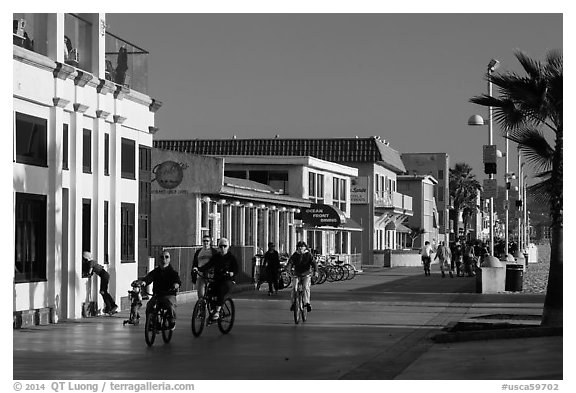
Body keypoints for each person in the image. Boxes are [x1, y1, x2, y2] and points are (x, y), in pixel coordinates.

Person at [194, 238, 238, 321]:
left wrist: (232, 273)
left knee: (221, 291)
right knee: (209, 292)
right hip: (217, 279)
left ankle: (217, 311)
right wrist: (198, 269)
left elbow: (236, 269)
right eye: (221, 246)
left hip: (228, 280)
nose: (222, 248)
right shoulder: (216, 257)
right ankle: (212, 310)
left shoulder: (231, 258)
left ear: (228, 247)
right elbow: (208, 265)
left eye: (225, 246)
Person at [139, 251, 181, 330]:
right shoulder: (156, 271)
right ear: (159, 259)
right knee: (149, 306)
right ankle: (150, 323)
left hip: (169, 295)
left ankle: (172, 321)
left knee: (170, 306)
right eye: (162, 257)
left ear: (169, 259)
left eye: (166, 257)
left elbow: (177, 280)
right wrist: (144, 282)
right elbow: (149, 277)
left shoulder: (173, 272)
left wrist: (176, 284)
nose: (164, 259)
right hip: (157, 295)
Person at [285, 241, 318, 312]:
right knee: (294, 288)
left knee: (306, 287)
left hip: (306, 274)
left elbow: (314, 263)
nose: (300, 248)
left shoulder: (308, 255)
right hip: (297, 274)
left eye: (302, 246)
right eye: (299, 247)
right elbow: (290, 263)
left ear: (305, 247)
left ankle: (307, 303)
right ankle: (294, 303)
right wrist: (288, 270)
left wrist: (316, 271)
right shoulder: (295, 255)